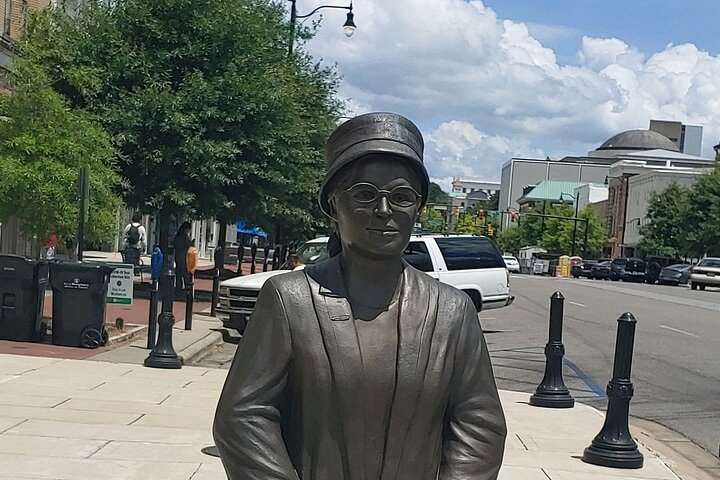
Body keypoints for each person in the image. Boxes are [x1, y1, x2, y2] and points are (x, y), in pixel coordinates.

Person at [213, 112, 506, 480]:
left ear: (417, 209)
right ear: (335, 206)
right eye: (365, 195)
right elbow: (243, 416)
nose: (384, 211)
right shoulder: (291, 300)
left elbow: (480, 426)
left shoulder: (451, 311)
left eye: (401, 197)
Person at [173, 222, 192, 291]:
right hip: (184, 258)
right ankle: (187, 291)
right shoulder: (185, 237)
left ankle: (178, 291)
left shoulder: (177, 236)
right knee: (186, 276)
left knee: (178, 275)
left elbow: (174, 245)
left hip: (177, 257)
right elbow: (190, 246)